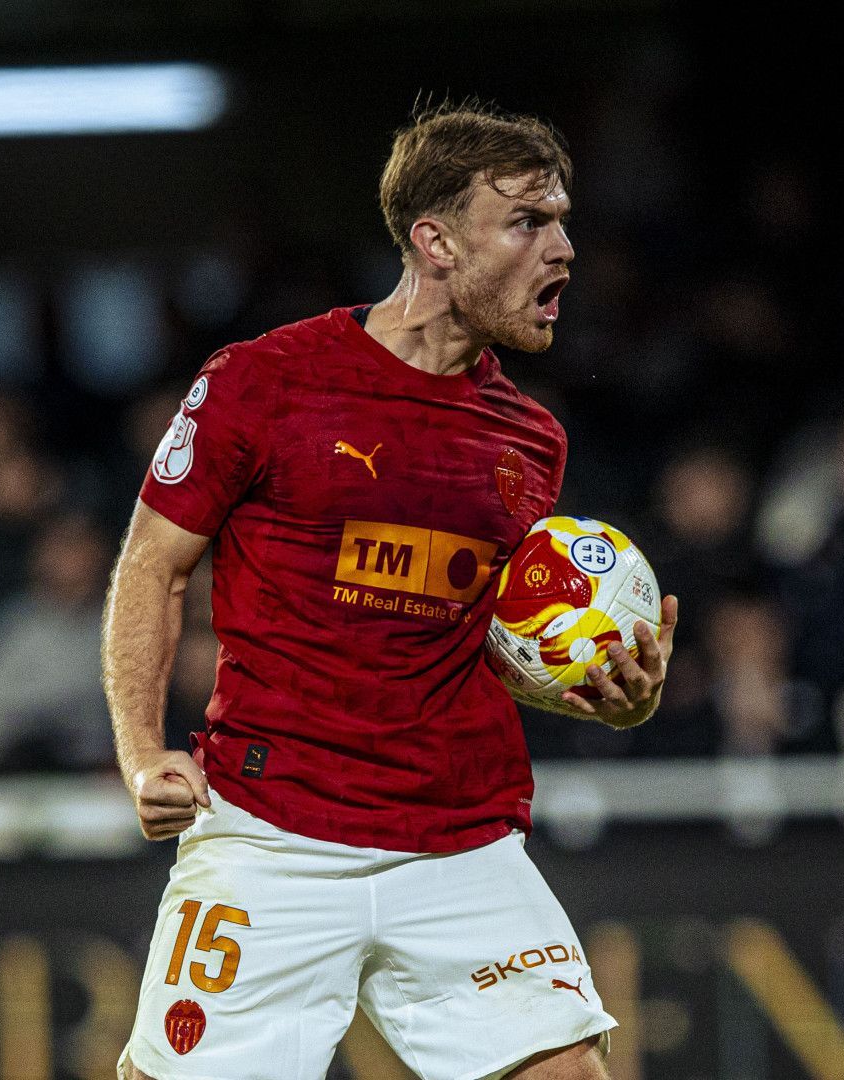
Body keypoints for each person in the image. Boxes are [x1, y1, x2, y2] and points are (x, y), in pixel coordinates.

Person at [103, 102, 679, 1080]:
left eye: (565, 221)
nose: (565, 250)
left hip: (457, 842)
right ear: (437, 240)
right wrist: (139, 749)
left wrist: (622, 696)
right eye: (531, 221)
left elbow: (491, 645)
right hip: (271, 835)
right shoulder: (265, 382)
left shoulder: (529, 439)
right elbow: (153, 566)